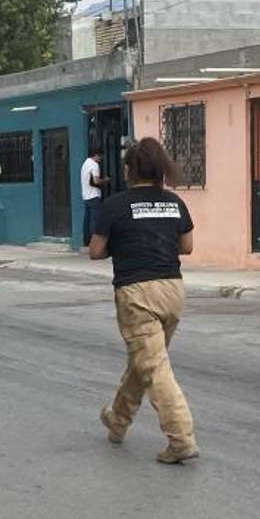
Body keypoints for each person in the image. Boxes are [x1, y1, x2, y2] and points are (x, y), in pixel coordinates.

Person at [88, 137, 198, 465]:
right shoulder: (175, 202)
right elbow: (187, 246)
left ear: (130, 170)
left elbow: (96, 251)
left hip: (137, 294)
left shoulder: (115, 205)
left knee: (155, 367)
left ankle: (181, 438)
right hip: (172, 290)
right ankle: (118, 420)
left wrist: (123, 244)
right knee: (146, 361)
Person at [80, 147, 109, 246]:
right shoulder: (94, 165)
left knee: (87, 220)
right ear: (96, 155)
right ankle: (94, 242)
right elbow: (96, 181)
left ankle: (86, 241)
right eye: (100, 156)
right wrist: (105, 180)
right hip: (94, 195)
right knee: (95, 220)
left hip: (86, 195)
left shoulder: (85, 164)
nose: (101, 159)